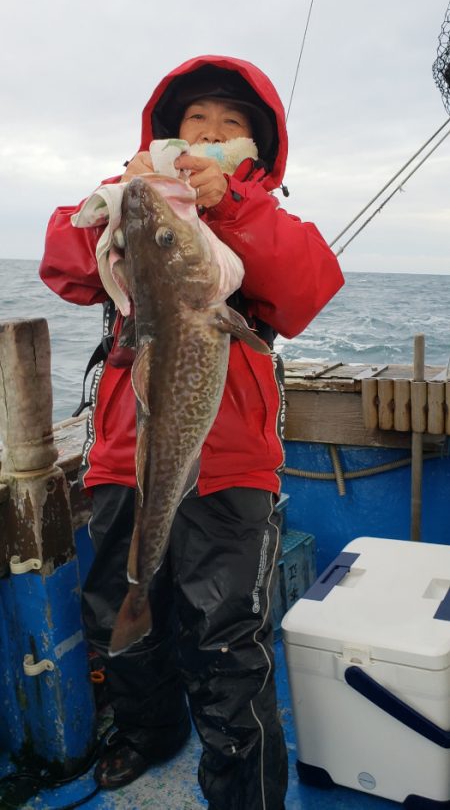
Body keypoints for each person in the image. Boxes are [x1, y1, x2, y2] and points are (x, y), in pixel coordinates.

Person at [39, 55, 344, 810]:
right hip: (120, 455)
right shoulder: (129, 205)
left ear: (258, 150)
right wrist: (127, 194)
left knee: (225, 634)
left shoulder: (265, 222)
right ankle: (149, 731)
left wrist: (233, 206)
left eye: (230, 125)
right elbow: (64, 263)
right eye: (194, 122)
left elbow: (307, 287)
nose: (207, 136)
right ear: (166, 135)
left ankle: (242, 787)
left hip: (233, 463)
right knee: (120, 615)